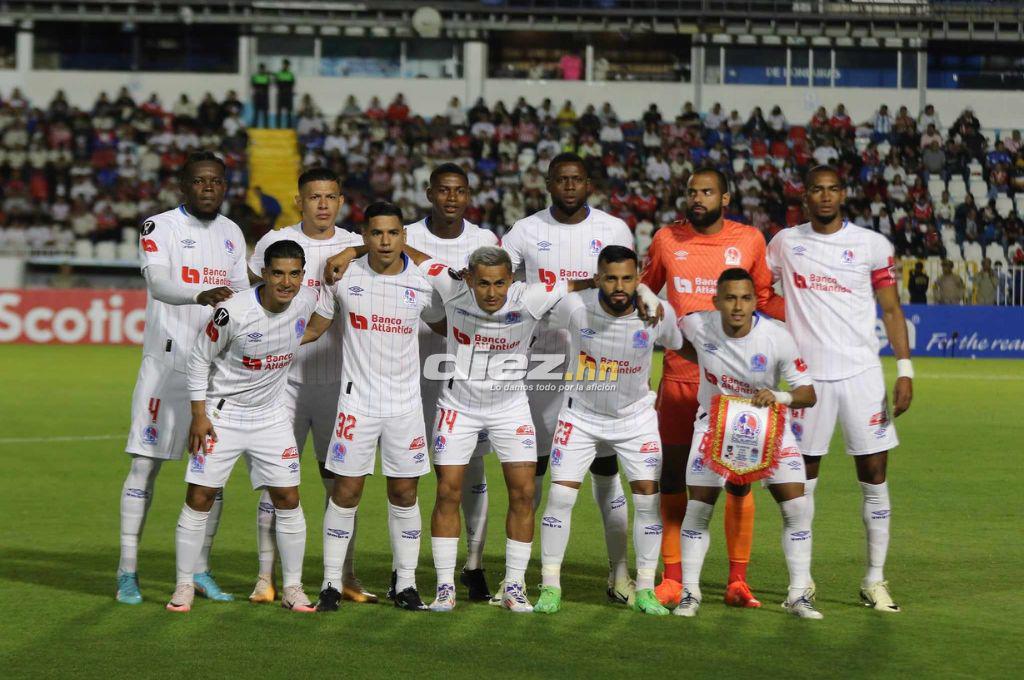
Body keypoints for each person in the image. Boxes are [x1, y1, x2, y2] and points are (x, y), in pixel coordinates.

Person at [410, 245, 604, 612]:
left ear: (511, 280)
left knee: (522, 493)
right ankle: (445, 587)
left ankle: (514, 586)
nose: (492, 292)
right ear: (469, 278)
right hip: (458, 408)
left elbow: (583, 283)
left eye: (500, 283)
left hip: (510, 409)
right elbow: (414, 256)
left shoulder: (530, 296)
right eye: (483, 284)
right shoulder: (451, 287)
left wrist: (638, 291)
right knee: (448, 492)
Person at [501, 152, 653, 605]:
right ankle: (522, 578)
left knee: (607, 476)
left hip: (598, 371)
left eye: (577, 179)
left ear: (589, 183)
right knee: (536, 476)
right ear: (548, 183)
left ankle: (620, 574)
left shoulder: (614, 230)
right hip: (540, 368)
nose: (569, 186)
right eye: (561, 179)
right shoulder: (524, 231)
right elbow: (505, 288)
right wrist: (566, 289)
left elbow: (634, 286)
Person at [767, 165, 913, 613]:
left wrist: (905, 369)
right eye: (817, 190)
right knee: (801, 481)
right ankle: (801, 582)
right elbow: (760, 292)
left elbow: (891, 309)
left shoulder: (871, 244)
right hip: (806, 380)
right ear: (804, 196)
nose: (825, 197)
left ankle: (874, 579)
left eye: (833, 189)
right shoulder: (785, 243)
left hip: (862, 375)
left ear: (843, 194)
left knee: (873, 477)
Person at [640, 167, 786, 609]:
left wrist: (808, 315)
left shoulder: (750, 240)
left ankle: (737, 581)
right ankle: (673, 578)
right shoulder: (667, 240)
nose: (697, 197)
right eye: (692, 191)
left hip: (737, 387)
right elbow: (643, 295)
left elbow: (764, 299)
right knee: (673, 478)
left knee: (739, 481)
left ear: (725, 198)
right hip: (680, 381)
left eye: (707, 191)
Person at [116, 152, 248, 606]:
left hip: (214, 373)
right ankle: (127, 572)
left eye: (216, 181)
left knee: (211, 477)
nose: (208, 188)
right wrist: (200, 293)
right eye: (199, 181)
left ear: (225, 186)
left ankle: (200, 571)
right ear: (184, 187)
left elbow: (242, 297)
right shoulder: (159, 226)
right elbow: (158, 284)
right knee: (144, 465)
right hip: (165, 367)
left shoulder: (232, 232)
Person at [167, 240, 319, 613]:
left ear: (302, 275)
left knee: (288, 499)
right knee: (199, 497)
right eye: (278, 273)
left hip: (271, 416)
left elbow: (318, 320)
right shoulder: (232, 313)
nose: (286, 282)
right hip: (223, 417)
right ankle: (184, 585)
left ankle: (293, 588)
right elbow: (199, 360)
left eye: (294, 274)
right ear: (264, 273)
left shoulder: (306, 300)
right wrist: (199, 415)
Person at [246, 168, 372, 605]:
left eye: (330, 196)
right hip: (281, 384)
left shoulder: (359, 244)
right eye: (314, 196)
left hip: (341, 383)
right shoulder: (273, 242)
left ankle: (344, 575)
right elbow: (250, 301)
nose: (322, 204)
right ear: (299, 200)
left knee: (341, 485)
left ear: (341, 202)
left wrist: (357, 247)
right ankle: (266, 577)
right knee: (275, 482)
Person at [302, 202, 436, 612]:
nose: (384, 241)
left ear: (404, 237)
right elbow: (316, 326)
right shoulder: (343, 279)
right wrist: (268, 341)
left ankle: (406, 584)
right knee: (346, 492)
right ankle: (330, 584)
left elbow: (453, 325)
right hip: (356, 404)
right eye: (376, 233)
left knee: (404, 493)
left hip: (405, 406)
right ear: (364, 238)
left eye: (392, 233)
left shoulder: (423, 283)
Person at [535, 246, 680, 616]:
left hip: (634, 419)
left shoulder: (657, 315)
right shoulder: (576, 306)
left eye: (628, 279)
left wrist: (652, 298)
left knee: (648, 501)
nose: (619, 286)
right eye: (610, 277)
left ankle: (644, 588)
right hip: (580, 416)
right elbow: (532, 302)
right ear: (598, 277)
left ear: (639, 279)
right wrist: (576, 284)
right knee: (561, 497)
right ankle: (550, 585)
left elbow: (680, 344)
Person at [673, 268, 820, 619]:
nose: (738, 306)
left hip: (769, 427)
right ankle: (689, 593)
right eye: (730, 298)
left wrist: (780, 396)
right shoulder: (696, 325)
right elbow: (669, 332)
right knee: (698, 510)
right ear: (716, 301)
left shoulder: (777, 337)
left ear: (755, 301)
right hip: (713, 426)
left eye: (745, 298)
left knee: (796, 508)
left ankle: (799, 594)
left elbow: (808, 393)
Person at [404, 163, 500, 602]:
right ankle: (403, 571)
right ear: (429, 193)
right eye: (443, 191)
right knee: (407, 475)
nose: (451, 198)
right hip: (407, 370)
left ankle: (474, 565)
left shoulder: (484, 241)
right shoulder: (402, 236)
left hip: (466, 377)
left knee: (471, 473)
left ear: (468, 195)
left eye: (459, 191)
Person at [275, 59, 296, 128]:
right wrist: (285, 84)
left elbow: (292, 85)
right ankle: (278, 126)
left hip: (288, 95)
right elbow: (276, 83)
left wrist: (283, 83)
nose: (286, 66)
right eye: (285, 64)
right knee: (279, 112)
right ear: (283, 65)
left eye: (287, 65)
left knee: (289, 112)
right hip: (281, 94)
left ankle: (289, 126)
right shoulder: (279, 74)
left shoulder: (290, 74)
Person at [251, 63, 271, 128]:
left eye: (263, 69)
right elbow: (253, 86)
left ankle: (266, 125)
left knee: (265, 112)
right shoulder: (255, 77)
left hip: (265, 97)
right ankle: (255, 125)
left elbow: (268, 86)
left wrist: (260, 87)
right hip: (257, 97)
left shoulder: (267, 77)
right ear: (259, 69)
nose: (262, 70)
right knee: (256, 112)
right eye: (261, 69)